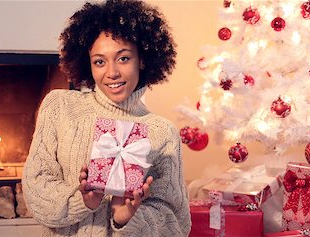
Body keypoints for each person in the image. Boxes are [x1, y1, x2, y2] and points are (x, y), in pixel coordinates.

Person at [22, 0, 191, 236]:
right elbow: (36, 187)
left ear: (142, 59)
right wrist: (83, 202)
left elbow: (176, 224)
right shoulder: (60, 106)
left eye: (123, 58)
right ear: (87, 64)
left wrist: (128, 217)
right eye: (99, 61)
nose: (111, 73)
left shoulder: (163, 132)